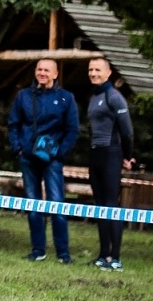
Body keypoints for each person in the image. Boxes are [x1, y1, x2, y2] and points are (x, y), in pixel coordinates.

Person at [7, 58, 80, 263]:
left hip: (52, 159)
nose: (42, 73)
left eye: (47, 70)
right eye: (39, 69)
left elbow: (72, 130)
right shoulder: (23, 96)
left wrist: (60, 153)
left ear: (55, 74)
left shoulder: (66, 98)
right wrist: (18, 149)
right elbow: (13, 124)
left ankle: (63, 253)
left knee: (57, 204)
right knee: (33, 205)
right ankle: (38, 250)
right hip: (28, 157)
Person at [86, 56, 135, 270]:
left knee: (110, 205)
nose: (93, 73)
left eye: (98, 70)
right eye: (91, 70)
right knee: (100, 206)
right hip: (96, 154)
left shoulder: (114, 97)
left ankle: (115, 258)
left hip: (111, 154)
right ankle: (102, 254)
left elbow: (127, 131)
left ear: (108, 73)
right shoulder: (94, 97)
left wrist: (127, 156)